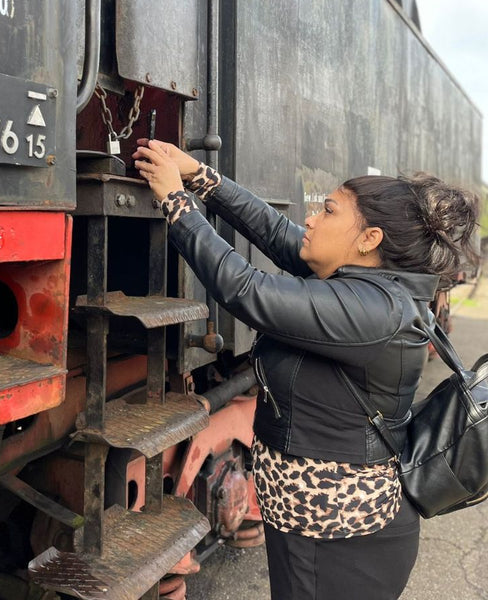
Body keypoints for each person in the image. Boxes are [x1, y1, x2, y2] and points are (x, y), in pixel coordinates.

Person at [132, 138, 479, 600]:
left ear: (369, 239)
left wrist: (176, 201)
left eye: (329, 211)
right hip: (315, 524)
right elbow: (276, 232)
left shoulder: (375, 310)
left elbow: (245, 289)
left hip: (343, 540)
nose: (311, 219)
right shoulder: (363, 280)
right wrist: (199, 176)